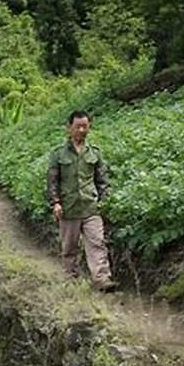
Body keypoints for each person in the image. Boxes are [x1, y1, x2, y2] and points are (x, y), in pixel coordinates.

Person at [46, 110, 116, 291]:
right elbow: (52, 181)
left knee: (97, 243)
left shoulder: (95, 153)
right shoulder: (58, 154)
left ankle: (102, 279)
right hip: (68, 209)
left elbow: (102, 180)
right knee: (69, 248)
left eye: (85, 126)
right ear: (69, 128)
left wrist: (104, 201)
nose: (82, 130)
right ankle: (71, 280)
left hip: (90, 207)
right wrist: (56, 202)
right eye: (78, 126)